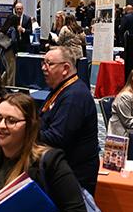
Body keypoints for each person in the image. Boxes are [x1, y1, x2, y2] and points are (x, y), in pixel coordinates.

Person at [39, 46, 99, 194]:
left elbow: (56, 138)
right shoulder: (63, 89)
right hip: (62, 171)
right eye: (43, 63)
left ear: (65, 68)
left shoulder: (74, 96)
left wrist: (25, 131)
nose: (43, 68)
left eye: (49, 64)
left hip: (74, 178)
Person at [0, 2, 34, 86]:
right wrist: (15, 51)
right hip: (12, 50)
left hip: (23, 46)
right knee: (11, 71)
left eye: (20, 9)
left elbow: (30, 32)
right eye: (17, 9)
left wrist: (23, 30)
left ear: (23, 9)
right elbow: (14, 40)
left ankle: (3, 84)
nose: (19, 10)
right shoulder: (12, 25)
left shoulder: (27, 18)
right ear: (15, 10)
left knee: (10, 70)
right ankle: (9, 87)